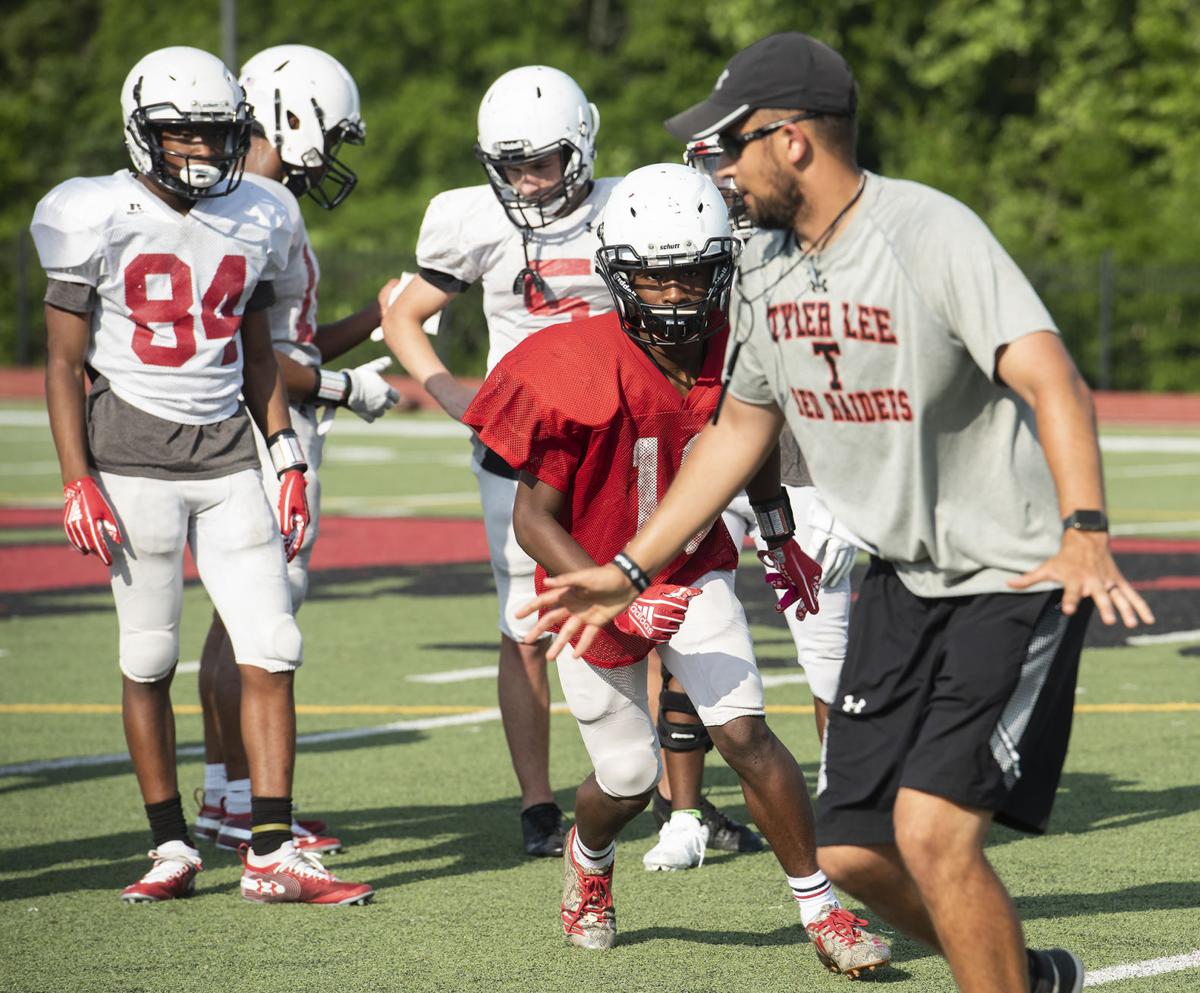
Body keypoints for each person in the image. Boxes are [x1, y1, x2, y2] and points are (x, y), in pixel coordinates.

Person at [518, 32, 1156, 993]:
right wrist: (629, 568)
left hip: (1002, 568)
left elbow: (1050, 374)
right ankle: (1021, 974)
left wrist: (1087, 529)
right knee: (859, 854)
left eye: (734, 146)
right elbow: (735, 437)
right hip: (899, 578)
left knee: (934, 834)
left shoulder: (928, 231)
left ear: (796, 140)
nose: (722, 170)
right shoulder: (766, 269)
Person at [463, 163, 891, 976]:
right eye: (654, 276)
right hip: (585, 584)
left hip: (693, 568)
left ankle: (822, 905)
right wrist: (618, 601)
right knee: (625, 779)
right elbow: (531, 519)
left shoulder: (739, 345)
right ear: (618, 273)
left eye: (691, 273)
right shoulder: (570, 364)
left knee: (745, 731)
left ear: (721, 267)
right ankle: (589, 860)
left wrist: (777, 530)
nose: (672, 295)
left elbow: (748, 438)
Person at [31, 46, 372, 905]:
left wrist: (285, 451)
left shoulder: (260, 210)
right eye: (181, 133)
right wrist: (75, 475)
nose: (200, 151)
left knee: (273, 643)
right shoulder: (95, 210)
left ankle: (268, 847)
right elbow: (63, 364)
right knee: (148, 655)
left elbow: (259, 354)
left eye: (215, 134)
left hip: (228, 459)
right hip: (132, 461)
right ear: (143, 130)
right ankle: (170, 841)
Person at [380, 65, 617, 857]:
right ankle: (539, 804)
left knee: (647, 602)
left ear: (579, 148)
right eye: (510, 163)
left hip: (620, 438)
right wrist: (460, 399)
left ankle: (661, 786)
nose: (524, 179)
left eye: (540, 161)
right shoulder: (473, 219)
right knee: (523, 625)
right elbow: (407, 316)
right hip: (524, 447)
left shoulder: (628, 206)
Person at [191, 44, 401, 857]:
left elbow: (294, 336)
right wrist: (344, 388)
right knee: (259, 632)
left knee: (233, 628)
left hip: (264, 425)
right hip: (265, 433)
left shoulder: (251, 199)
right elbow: (252, 351)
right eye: (333, 132)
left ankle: (226, 798)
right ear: (294, 116)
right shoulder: (257, 204)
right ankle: (244, 806)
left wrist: (378, 318)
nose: (335, 154)